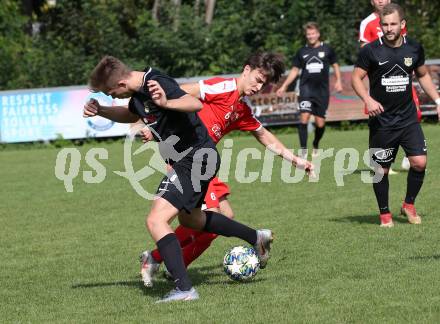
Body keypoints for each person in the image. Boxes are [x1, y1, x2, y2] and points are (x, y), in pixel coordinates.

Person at [83, 56, 275, 302]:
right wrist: (101, 110)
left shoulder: (156, 82)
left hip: (195, 158)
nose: (111, 97)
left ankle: (185, 289)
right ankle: (256, 237)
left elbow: (193, 103)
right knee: (192, 218)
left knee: (156, 220)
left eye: (110, 93)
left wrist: (166, 101)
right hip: (193, 159)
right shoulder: (138, 94)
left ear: (121, 83)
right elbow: (131, 115)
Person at [140, 52, 314, 286]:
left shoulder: (241, 108)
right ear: (246, 69)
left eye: (264, 84)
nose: (258, 86)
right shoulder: (222, 86)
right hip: (187, 159)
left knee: (212, 217)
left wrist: (296, 160)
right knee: (183, 219)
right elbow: (178, 93)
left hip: (202, 162)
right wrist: (154, 123)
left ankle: (165, 262)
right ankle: (162, 261)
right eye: (257, 79)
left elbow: (263, 135)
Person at [351, 3, 440, 227]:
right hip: (382, 121)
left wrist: (438, 100)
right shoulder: (370, 50)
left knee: (419, 162)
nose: (389, 28)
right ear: (380, 26)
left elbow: (423, 75)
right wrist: (368, 100)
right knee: (382, 170)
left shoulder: (414, 48)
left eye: (393, 24)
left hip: (408, 118)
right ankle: (385, 215)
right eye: (385, 24)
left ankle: (409, 205)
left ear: (402, 24)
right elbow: (355, 78)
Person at [359, 0, 419, 172]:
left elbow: (404, 44)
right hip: (381, 80)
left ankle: (410, 156)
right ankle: (382, 161)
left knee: (415, 113)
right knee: (380, 119)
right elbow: (365, 50)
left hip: (400, 78)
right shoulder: (367, 22)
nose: (381, 0)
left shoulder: (398, 18)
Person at [276, 22, 342, 158]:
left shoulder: (328, 49)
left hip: (322, 91)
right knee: (304, 117)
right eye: (308, 34)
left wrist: (339, 80)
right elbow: (295, 70)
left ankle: (316, 144)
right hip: (306, 89)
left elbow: (335, 65)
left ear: (318, 34)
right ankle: (303, 150)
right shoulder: (302, 52)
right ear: (306, 36)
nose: (311, 36)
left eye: (313, 33)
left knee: (320, 123)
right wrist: (284, 86)